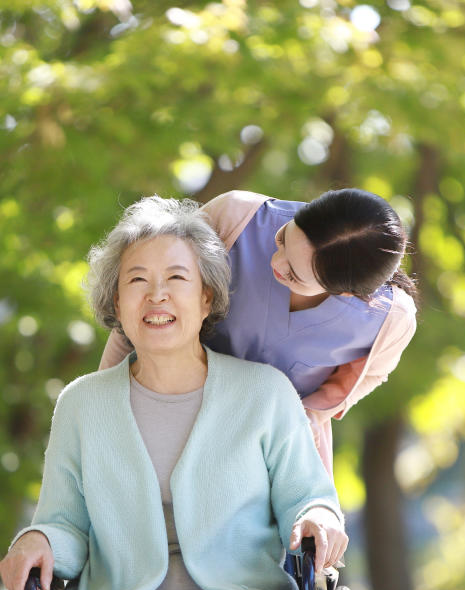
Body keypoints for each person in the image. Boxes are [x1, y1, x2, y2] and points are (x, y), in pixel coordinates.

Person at [0, 197, 348, 590]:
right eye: (137, 279)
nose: (156, 294)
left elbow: (307, 496)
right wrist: (38, 539)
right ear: (117, 300)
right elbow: (64, 524)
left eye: (176, 277)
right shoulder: (82, 404)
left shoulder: (265, 393)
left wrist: (318, 516)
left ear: (206, 297)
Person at [100, 189, 418, 476]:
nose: (276, 263)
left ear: (345, 293)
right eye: (282, 239)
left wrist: (313, 413)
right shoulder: (236, 217)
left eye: (293, 274)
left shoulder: (389, 320)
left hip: (270, 457)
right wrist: (101, 401)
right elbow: (141, 309)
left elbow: (372, 374)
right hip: (165, 414)